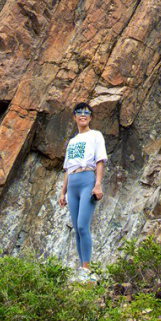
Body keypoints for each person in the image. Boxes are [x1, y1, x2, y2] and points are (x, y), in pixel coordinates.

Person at [58, 102, 108, 280]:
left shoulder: (95, 135)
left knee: (82, 225)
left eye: (86, 113)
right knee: (76, 229)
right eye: (79, 112)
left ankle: (86, 268)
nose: (83, 115)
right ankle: (82, 267)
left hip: (87, 179)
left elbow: (100, 160)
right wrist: (63, 192)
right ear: (74, 117)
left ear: (91, 117)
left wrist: (98, 184)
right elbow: (67, 168)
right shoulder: (72, 141)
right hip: (72, 182)